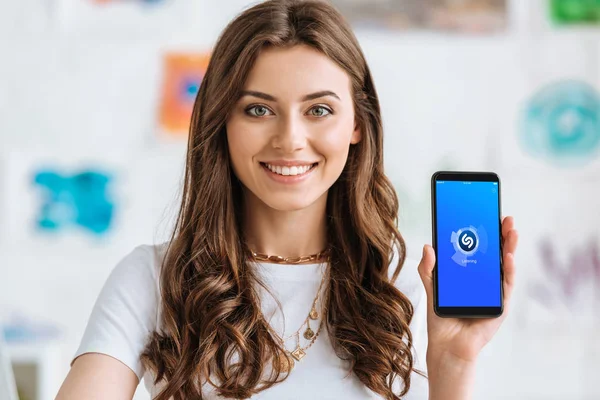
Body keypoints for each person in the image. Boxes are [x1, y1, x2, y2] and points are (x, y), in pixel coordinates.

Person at [55, 0, 519, 399]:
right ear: (223, 122)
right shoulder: (154, 281)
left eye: (319, 110)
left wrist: (454, 365)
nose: (290, 139)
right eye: (259, 109)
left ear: (357, 124)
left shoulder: (412, 293)